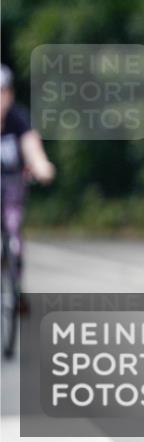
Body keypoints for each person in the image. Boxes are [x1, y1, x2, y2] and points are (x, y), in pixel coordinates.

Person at [0, 63, 56, 296]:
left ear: (10, 94)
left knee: (13, 229)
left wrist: (42, 165)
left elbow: (32, 147)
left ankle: (16, 286)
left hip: (12, 188)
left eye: (2, 93)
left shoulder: (18, 119)